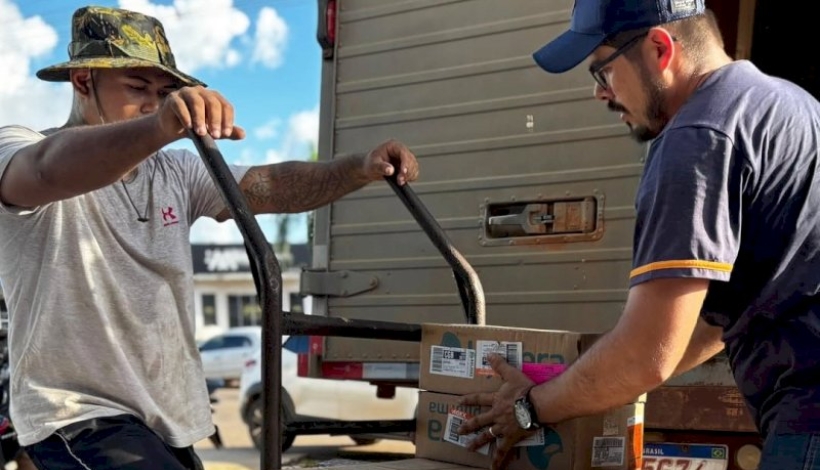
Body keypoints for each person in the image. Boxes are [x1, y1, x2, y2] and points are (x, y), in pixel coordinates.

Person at [0, 6, 418, 470]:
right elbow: (41, 170)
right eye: (137, 88)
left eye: (164, 94)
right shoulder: (19, 145)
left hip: (165, 418)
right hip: (79, 414)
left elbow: (272, 184)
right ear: (83, 82)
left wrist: (358, 168)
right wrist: (159, 128)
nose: (153, 104)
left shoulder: (176, 171)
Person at [456, 0, 820, 469]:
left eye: (602, 72)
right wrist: (577, 385)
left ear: (660, 49)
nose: (601, 95)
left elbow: (646, 355)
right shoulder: (793, 106)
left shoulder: (697, 137)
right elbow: (711, 324)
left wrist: (528, 408)